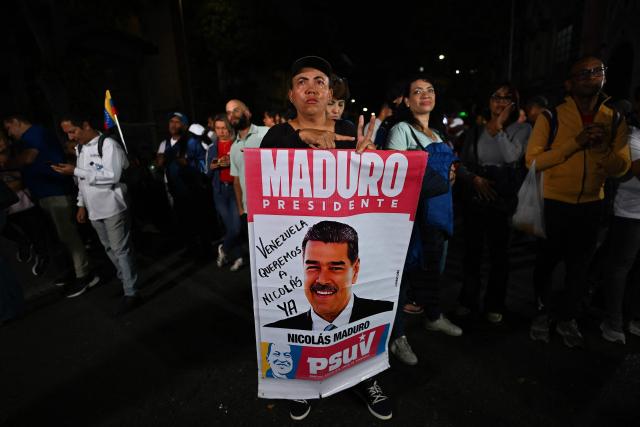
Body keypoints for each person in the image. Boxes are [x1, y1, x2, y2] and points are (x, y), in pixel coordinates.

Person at [260, 55, 390, 422]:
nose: (312, 87)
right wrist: (303, 136)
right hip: (295, 247)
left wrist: (374, 162)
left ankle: (368, 376)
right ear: (291, 94)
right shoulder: (278, 135)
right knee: (295, 314)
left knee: (358, 316)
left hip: (346, 242)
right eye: (303, 81)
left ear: (330, 91)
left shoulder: (349, 131)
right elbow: (263, 168)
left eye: (320, 80)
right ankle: (296, 383)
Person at [526, 56, 630, 347]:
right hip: (554, 201)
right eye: (582, 73)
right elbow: (531, 160)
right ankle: (543, 313)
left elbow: (621, 167)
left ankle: (567, 317)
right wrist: (576, 143)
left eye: (597, 71)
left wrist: (598, 150)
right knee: (547, 262)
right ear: (569, 83)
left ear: (604, 78)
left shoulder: (616, 119)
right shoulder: (552, 116)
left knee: (579, 267)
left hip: (591, 204)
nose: (590, 76)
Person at [386, 75, 463, 362]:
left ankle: (433, 315)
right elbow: (395, 173)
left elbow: (447, 171)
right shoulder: (401, 130)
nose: (424, 95)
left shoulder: (439, 134)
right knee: (404, 278)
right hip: (414, 216)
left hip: (440, 214)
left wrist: (451, 177)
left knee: (434, 271)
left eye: (429, 90)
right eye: (416, 91)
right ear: (407, 101)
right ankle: (397, 337)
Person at [458, 83, 532, 323]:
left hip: (503, 200)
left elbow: (512, 157)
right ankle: (467, 301)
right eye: (496, 97)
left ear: (515, 103)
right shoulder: (476, 131)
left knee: (500, 256)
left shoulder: (523, 129)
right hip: (476, 197)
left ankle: (495, 304)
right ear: (488, 101)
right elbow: (463, 164)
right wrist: (474, 179)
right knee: (472, 254)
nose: (500, 102)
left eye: (507, 98)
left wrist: (499, 128)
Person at [54, 113, 141, 315]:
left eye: (72, 131)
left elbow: (112, 176)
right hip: (94, 210)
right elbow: (82, 183)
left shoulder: (108, 145)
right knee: (109, 248)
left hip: (112, 206)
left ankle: (132, 292)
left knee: (120, 249)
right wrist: (81, 205)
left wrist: (76, 171)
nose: (70, 137)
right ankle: (125, 282)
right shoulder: (81, 148)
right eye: (67, 134)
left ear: (85, 124)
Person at [3, 114, 98, 294]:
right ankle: (75, 270)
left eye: (8, 128)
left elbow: (28, 158)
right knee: (61, 236)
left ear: (16, 121)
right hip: (46, 193)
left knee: (67, 235)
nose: (9, 134)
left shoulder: (35, 134)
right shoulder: (32, 137)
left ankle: (85, 274)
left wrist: (5, 164)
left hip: (55, 192)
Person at [265, 221, 393, 330]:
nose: (322, 280)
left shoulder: (385, 314)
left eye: (335, 268)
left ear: (355, 270)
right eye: (313, 267)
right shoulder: (277, 331)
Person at [600, 104, 640, 344]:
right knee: (620, 269)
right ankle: (612, 321)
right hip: (629, 215)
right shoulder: (632, 138)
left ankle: (633, 317)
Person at [227, 99, 269, 271]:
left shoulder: (267, 133)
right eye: (228, 113)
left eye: (236, 110)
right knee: (258, 255)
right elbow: (236, 180)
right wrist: (240, 208)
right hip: (249, 209)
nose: (232, 115)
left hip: (270, 206)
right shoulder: (234, 147)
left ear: (248, 113)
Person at [206, 114, 243, 270]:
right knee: (231, 228)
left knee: (237, 227)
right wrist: (212, 167)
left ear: (230, 128)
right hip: (220, 191)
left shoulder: (238, 144)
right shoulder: (212, 147)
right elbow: (207, 172)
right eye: (218, 128)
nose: (221, 132)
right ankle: (239, 256)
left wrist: (232, 161)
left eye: (224, 128)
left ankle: (224, 249)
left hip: (236, 190)